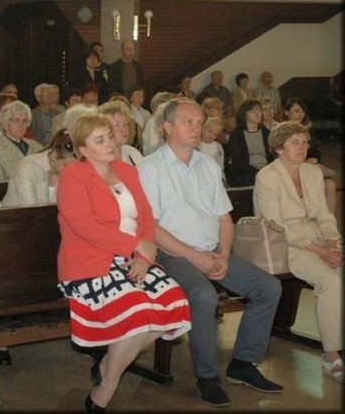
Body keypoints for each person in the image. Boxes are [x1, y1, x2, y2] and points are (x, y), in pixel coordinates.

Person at [138, 98, 283, 408]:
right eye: (188, 122)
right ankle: (207, 377)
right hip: (170, 255)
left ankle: (242, 364)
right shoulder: (150, 168)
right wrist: (196, 257)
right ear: (167, 127)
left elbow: (224, 220)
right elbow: (152, 229)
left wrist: (224, 255)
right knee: (204, 296)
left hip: (213, 250)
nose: (197, 127)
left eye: (199, 122)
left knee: (268, 287)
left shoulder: (208, 165)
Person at [57, 113, 191, 412]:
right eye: (100, 140)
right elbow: (84, 226)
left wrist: (143, 256)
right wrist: (134, 245)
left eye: (110, 137)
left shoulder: (126, 171)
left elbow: (146, 218)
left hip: (132, 257)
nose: (110, 143)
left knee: (174, 303)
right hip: (90, 263)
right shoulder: (74, 176)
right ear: (83, 149)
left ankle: (108, 363)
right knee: (141, 312)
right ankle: (108, 385)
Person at [253, 121, 342, 382]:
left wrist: (332, 241)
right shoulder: (267, 177)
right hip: (284, 244)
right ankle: (331, 355)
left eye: (304, 142)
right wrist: (317, 249)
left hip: (318, 238)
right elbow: (276, 224)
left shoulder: (312, 172)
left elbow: (324, 214)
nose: (302, 147)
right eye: (295, 142)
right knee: (331, 281)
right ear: (279, 147)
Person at [283, 97, 338, 214]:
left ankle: (329, 221)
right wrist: (304, 162)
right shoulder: (282, 132)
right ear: (287, 112)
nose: (300, 114)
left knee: (330, 184)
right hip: (293, 168)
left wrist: (315, 160)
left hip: (312, 165)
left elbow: (316, 152)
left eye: (302, 111)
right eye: (296, 111)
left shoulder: (308, 130)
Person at [2, 128, 76, 207]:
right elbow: (32, 209)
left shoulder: (66, 173)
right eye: (65, 165)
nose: (70, 170)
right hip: (17, 214)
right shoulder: (28, 168)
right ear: (54, 155)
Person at [0, 101, 43, 182]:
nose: (21, 125)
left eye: (24, 121)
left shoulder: (37, 147)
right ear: (5, 124)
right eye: (16, 120)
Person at [224, 99, 272, 187]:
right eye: (252, 111)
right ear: (244, 115)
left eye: (259, 110)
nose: (257, 114)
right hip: (247, 174)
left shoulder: (267, 133)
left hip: (267, 171)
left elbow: (273, 156)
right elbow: (237, 161)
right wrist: (257, 172)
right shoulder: (237, 135)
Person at [98, 100, 143, 166]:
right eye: (117, 125)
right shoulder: (98, 158)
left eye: (125, 124)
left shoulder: (132, 153)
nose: (124, 129)